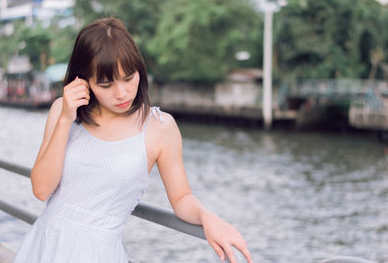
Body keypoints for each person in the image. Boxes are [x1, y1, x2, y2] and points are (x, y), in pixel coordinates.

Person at [13, 17, 252, 263]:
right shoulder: (63, 111)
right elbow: (41, 190)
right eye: (106, 84)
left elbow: (181, 198)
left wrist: (207, 217)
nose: (122, 93)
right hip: (43, 247)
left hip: (98, 254)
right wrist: (65, 120)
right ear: (84, 81)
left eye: (129, 78)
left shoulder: (160, 127)